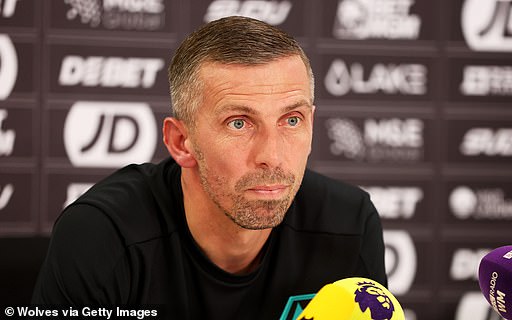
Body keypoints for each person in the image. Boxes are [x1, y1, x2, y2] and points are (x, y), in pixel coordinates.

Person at [32, 16, 387, 319]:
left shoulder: (349, 225)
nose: (272, 155)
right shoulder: (101, 235)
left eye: (291, 120)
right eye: (238, 123)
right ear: (181, 143)